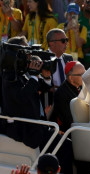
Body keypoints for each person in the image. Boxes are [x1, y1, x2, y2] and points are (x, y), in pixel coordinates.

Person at [2, 36, 74, 174]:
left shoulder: (23, 72)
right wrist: (35, 76)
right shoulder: (9, 76)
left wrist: (46, 77)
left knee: (66, 144)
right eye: (25, 51)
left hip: (37, 125)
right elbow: (21, 98)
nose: (29, 55)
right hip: (25, 128)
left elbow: (41, 88)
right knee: (66, 147)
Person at [51, 61, 85, 133]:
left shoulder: (81, 86)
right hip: (69, 132)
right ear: (71, 78)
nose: (85, 76)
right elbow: (68, 120)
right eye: (81, 74)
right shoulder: (61, 93)